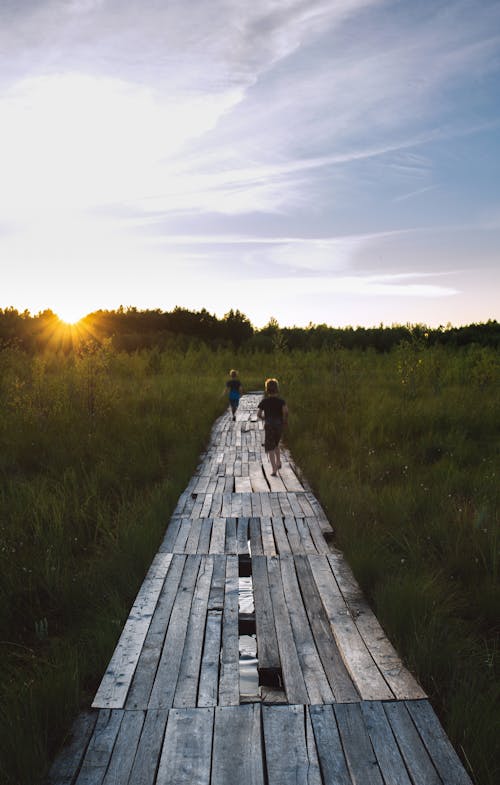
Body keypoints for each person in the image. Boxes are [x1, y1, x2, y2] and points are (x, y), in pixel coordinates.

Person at [257, 378, 288, 475]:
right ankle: (278, 461)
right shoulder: (281, 401)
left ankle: (274, 469)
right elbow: (286, 411)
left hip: (269, 425)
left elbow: (258, 414)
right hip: (279, 425)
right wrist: (284, 420)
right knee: (276, 444)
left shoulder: (264, 401)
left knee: (270, 447)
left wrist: (264, 418)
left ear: (267, 389)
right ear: (277, 389)